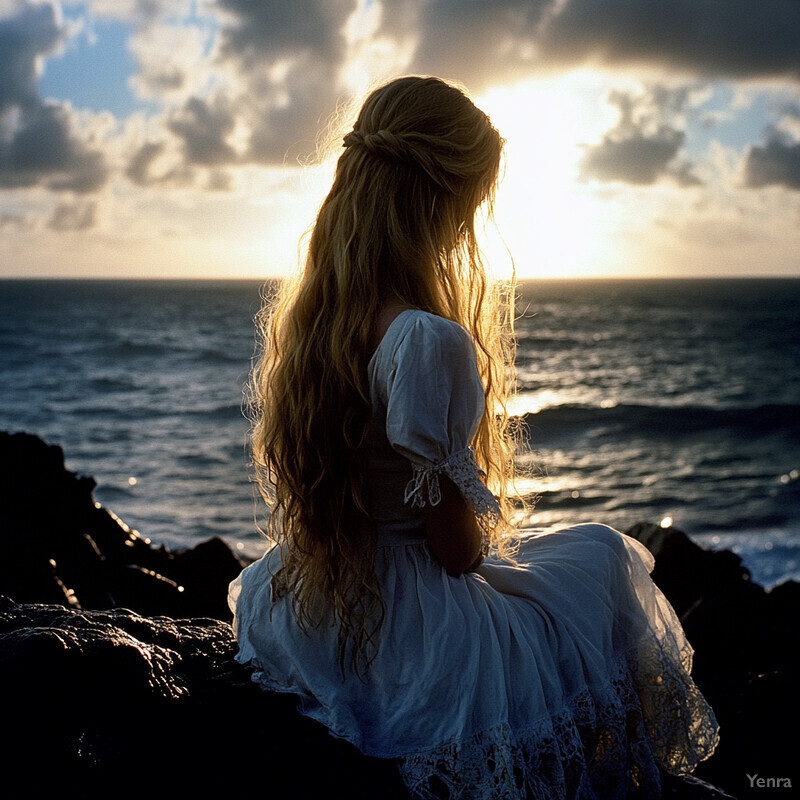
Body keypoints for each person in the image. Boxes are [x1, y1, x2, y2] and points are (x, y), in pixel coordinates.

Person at [228, 75, 719, 799]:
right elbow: (457, 555)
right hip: (412, 631)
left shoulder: (316, 319)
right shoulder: (423, 339)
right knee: (606, 559)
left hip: (313, 604)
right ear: (444, 204)